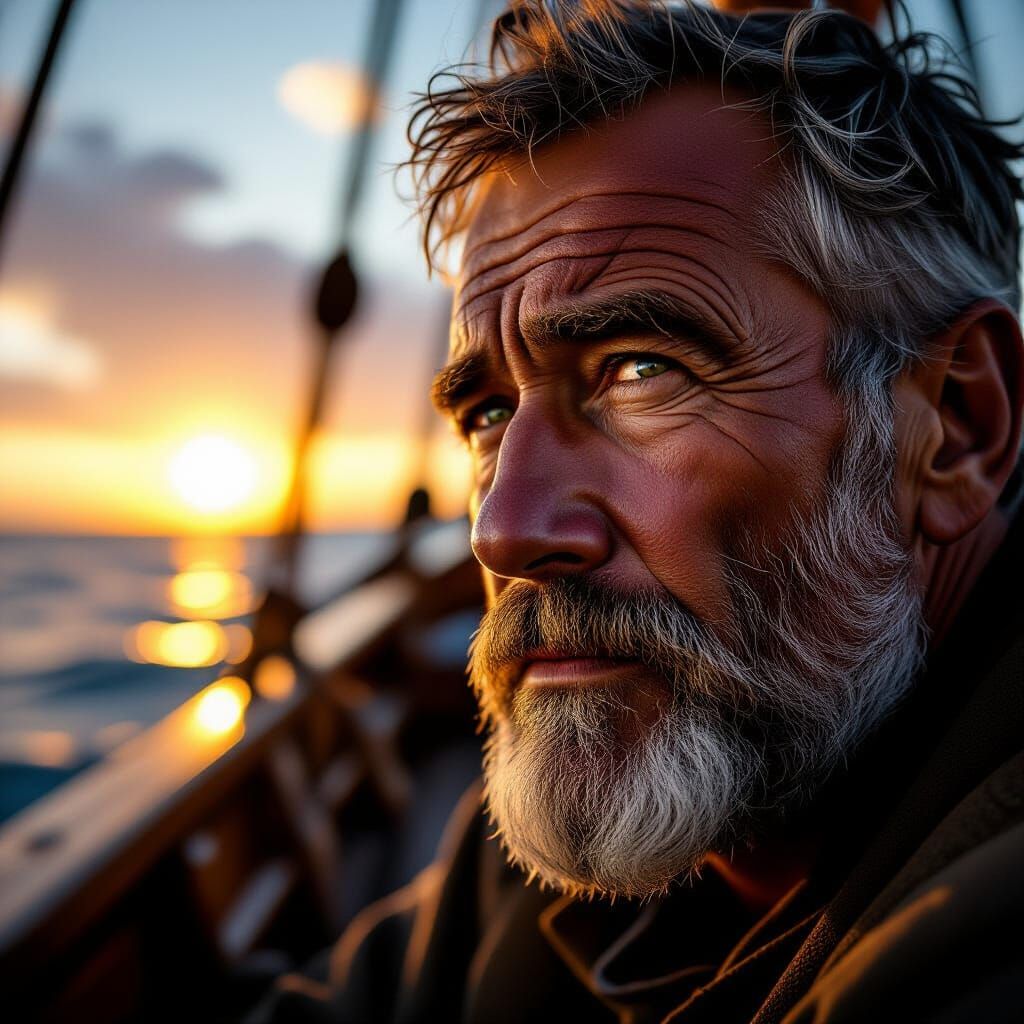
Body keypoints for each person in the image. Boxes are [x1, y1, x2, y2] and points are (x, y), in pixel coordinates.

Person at [254, 2, 1024, 1021]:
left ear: (959, 426)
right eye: (487, 412)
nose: (503, 530)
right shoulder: (607, 799)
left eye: (641, 370)